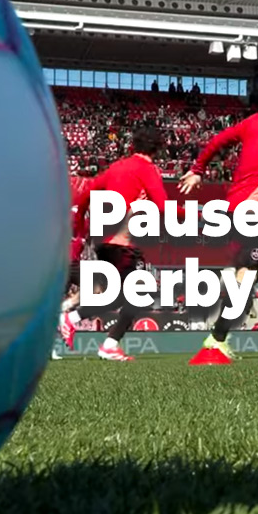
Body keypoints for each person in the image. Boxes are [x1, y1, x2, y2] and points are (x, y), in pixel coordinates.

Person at [179, 75, 258, 363]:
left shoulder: (254, 121)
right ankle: (216, 339)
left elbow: (218, 140)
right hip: (250, 212)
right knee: (247, 277)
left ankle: (235, 283)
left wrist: (198, 169)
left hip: (251, 211)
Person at [72, 126, 174, 362]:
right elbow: (163, 206)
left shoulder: (116, 167)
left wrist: (80, 227)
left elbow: (86, 195)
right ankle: (94, 335)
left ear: (133, 145)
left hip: (103, 243)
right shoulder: (147, 169)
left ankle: (90, 332)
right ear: (157, 149)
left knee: (120, 295)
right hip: (123, 244)